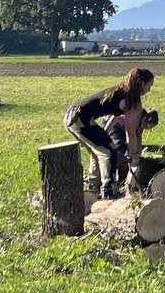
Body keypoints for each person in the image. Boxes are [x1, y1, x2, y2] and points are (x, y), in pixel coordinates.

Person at [64, 68, 154, 198]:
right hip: (80, 119)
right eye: (149, 85)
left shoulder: (122, 92)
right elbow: (131, 132)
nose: (149, 90)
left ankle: (93, 187)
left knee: (99, 151)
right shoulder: (131, 100)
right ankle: (109, 191)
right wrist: (135, 157)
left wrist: (103, 135)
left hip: (72, 116)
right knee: (109, 151)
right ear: (141, 83)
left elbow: (115, 116)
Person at [102, 107, 159, 190]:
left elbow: (138, 137)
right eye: (148, 127)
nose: (147, 129)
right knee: (119, 149)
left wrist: (137, 153)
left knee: (125, 152)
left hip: (122, 128)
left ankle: (124, 180)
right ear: (146, 119)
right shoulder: (135, 117)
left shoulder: (141, 122)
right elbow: (130, 135)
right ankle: (119, 179)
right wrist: (131, 153)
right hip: (113, 125)